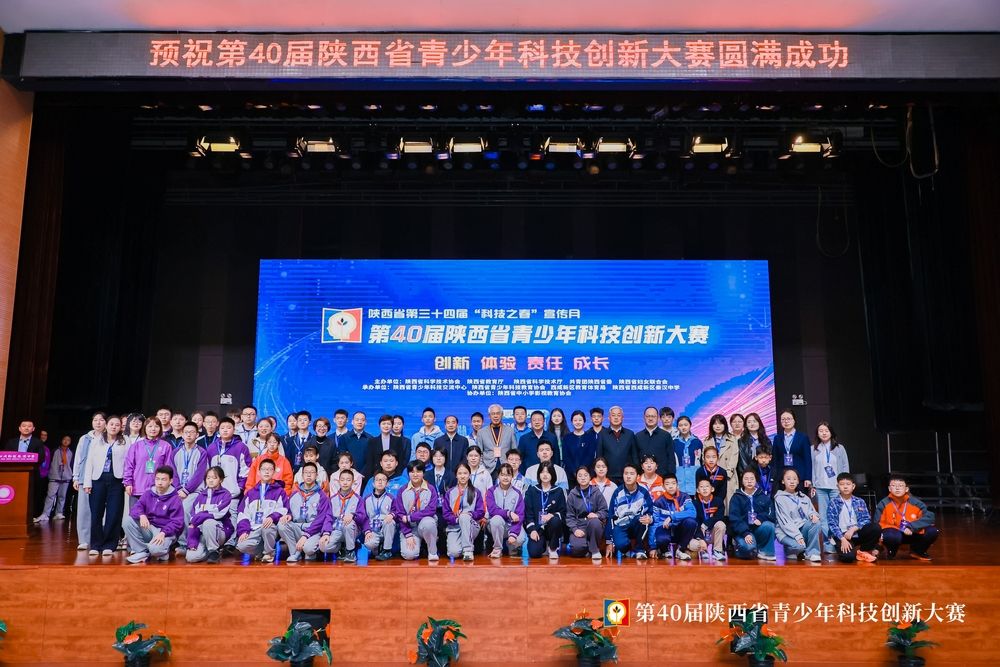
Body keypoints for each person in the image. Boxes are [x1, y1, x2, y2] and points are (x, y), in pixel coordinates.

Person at [82, 415, 129, 556]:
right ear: (106, 425)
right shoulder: (97, 441)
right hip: (98, 480)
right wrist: (87, 482)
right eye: (111, 424)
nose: (114, 427)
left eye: (117, 425)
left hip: (117, 480)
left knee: (114, 513)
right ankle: (96, 545)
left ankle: (110, 544)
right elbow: (89, 462)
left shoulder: (125, 441)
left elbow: (129, 462)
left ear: (121, 427)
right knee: (96, 513)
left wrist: (128, 481)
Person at [124, 466, 185, 564]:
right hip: (150, 528)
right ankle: (142, 551)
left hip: (165, 532)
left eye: (163, 479)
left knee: (155, 550)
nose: (159, 483)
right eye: (157, 479)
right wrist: (142, 515)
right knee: (128, 521)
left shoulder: (175, 499)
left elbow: (177, 522)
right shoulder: (148, 493)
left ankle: (160, 551)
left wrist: (164, 532)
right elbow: (136, 508)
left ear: (170, 481)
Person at [207, 417, 253, 543]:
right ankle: (216, 542)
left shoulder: (241, 447)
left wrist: (239, 488)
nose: (225, 430)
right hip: (215, 492)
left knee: (232, 515)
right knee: (214, 517)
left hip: (233, 492)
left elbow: (246, 469)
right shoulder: (211, 448)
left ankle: (230, 543)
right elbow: (207, 469)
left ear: (234, 429)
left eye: (229, 427)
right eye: (222, 428)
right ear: (218, 430)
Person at [235, 458, 288, 563]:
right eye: (264, 469)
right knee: (241, 546)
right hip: (254, 529)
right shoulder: (251, 493)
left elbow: (284, 509)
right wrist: (244, 531)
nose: (267, 472)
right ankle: (261, 551)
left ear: (274, 472)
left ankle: (269, 553)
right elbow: (242, 514)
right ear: (259, 472)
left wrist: (272, 517)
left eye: (270, 469)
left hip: (271, 528)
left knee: (267, 528)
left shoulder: (279, 491)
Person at [876, 475, 939, 561]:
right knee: (891, 535)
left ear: (906, 489)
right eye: (893, 486)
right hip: (894, 534)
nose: (897, 488)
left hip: (913, 532)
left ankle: (917, 551)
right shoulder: (883, 504)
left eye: (901, 486)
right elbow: (877, 524)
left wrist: (911, 526)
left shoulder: (916, 503)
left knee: (932, 531)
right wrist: (878, 545)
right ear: (889, 489)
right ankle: (891, 551)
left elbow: (930, 517)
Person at [279, 461, 331, 562]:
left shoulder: (322, 496)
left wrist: (306, 535)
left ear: (316, 475)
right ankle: (295, 553)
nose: (309, 475)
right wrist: (288, 515)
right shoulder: (294, 494)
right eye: (306, 472)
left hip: (313, 530)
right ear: (302, 475)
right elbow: (289, 511)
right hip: (297, 528)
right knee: (282, 524)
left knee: (308, 549)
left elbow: (320, 520)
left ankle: (309, 550)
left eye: (312, 472)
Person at [811, 421, 850, 554]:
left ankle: (839, 541)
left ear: (831, 433)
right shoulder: (813, 449)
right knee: (823, 517)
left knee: (836, 516)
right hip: (820, 487)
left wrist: (845, 484)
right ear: (817, 433)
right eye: (821, 431)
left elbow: (845, 467)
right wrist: (813, 484)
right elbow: (812, 468)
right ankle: (828, 544)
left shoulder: (839, 448)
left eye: (826, 431)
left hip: (836, 487)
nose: (824, 433)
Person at [123, 418, 174, 519]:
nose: (153, 429)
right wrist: (128, 483)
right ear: (145, 428)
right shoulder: (136, 446)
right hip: (137, 488)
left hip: (157, 489)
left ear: (160, 429)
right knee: (135, 517)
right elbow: (129, 465)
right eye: (150, 426)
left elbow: (168, 468)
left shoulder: (166, 446)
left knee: (155, 518)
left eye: (156, 426)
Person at [185, 466, 234, 564]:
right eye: (208, 478)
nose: (211, 480)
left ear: (221, 480)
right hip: (202, 533)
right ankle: (210, 551)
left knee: (208, 522)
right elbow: (193, 521)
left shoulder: (226, 495)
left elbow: (218, 513)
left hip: (219, 532)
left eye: (214, 478)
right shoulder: (200, 496)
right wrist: (192, 542)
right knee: (191, 558)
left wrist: (201, 515)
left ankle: (213, 551)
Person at [172, 421, 209, 553]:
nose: (189, 435)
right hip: (177, 490)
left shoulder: (202, 452)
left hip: (194, 491)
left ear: (197, 435)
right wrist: (178, 489)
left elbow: (200, 474)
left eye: (192, 432)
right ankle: (171, 540)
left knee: (185, 509)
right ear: (182, 434)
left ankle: (184, 544)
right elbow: (173, 472)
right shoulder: (176, 452)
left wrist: (187, 490)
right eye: (186, 432)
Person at [827, 473, 880, 563]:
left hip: (856, 533)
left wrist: (853, 529)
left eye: (848, 484)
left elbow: (866, 519)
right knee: (848, 558)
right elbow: (832, 524)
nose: (845, 487)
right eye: (842, 484)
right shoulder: (833, 502)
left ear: (853, 486)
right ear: (837, 486)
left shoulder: (859, 501)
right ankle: (845, 549)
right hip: (842, 535)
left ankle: (863, 551)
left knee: (875, 528)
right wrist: (842, 539)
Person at [72, 412, 107, 549]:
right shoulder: (85, 438)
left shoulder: (108, 437)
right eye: (95, 420)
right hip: (84, 477)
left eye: (101, 420)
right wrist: (76, 477)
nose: (98, 422)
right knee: (84, 510)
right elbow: (78, 458)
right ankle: (84, 540)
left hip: (101, 478)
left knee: (102, 509)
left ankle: (101, 538)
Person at [393, 461, 440, 562]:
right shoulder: (402, 490)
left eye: (418, 471)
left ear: (423, 473)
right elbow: (400, 514)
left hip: (425, 524)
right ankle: (419, 546)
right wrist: (407, 534)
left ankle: (432, 552)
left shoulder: (431, 489)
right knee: (409, 555)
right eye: (412, 472)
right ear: (408, 473)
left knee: (429, 522)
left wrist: (410, 517)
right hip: (410, 527)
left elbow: (431, 510)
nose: (415, 474)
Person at [605, 463, 654, 559]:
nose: (628, 476)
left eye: (631, 474)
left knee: (642, 519)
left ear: (637, 476)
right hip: (621, 524)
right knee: (621, 545)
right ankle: (628, 550)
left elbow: (651, 512)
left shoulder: (643, 492)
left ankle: (640, 550)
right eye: (626, 473)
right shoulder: (617, 492)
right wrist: (609, 542)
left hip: (637, 524)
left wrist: (650, 519)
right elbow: (611, 516)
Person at [774, 468, 822, 562]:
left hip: (802, 528)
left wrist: (813, 515)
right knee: (799, 547)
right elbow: (785, 521)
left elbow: (811, 511)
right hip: (786, 532)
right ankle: (791, 550)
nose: (792, 481)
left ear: (798, 481)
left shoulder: (804, 497)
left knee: (816, 523)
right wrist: (797, 536)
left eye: (794, 479)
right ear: (783, 481)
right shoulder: (779, 498)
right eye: (788, 479)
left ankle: (812, 553)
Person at [728, 469, 776, 561]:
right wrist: (745, 533)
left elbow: (770, 513)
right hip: (743, 532)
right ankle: (738, 546)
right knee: (748, 549)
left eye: (752, 479)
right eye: (746, 479)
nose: (749, 481)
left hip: (758, 529)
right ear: (742, 481)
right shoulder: (736, 497)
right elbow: (734, 518)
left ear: (756, 480)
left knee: (769, 526)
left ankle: (765, 551)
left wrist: (760, 518)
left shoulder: (763, 496)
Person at [650, 473, 699, 560]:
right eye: (667, 484)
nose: (671, 486)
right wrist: (652, 547)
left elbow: (692, 512)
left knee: (691, 522)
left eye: (673, 483)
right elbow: (654, 523)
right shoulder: (658, 502)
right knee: (661, 538)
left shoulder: (684, 497)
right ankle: (664, 550)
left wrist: (672, 517)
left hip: (679, 529)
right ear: (663, 486)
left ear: (677, 485)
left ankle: (680, 550)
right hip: (666, 529)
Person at [442, 462, 485, 561]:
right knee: (453, 553)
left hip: (471, 525)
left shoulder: (476, 492)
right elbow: (446, 514)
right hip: (455, 526)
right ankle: (462, 544)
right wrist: (457, 519)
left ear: (469, 475)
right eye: (460, 473)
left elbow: (480, 512)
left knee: (464, 517)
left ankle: (468, 551)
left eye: (465, 473)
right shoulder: (450, 493)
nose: (462, 476)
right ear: (456, 475)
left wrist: (469, 514)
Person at [524, 462, 566, 559]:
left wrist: (552, 515)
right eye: (542, 472)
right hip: (537, 527)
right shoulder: (532, 491)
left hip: (552, 527)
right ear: (539, 474)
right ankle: (543, 545)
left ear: (552, 474)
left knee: (555, 521)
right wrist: (532, 530)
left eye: (548, 472)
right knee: (534, 553)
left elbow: (563, 512)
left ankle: (553, 548)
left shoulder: (558, 491)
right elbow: (528, 514)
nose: (545, 475)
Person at [3, 418, 46, 516]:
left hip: (31, 475)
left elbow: (41, 458)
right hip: (12, 475)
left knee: (30, 496)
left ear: (33, 429)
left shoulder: (38, 442)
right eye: (24, 426)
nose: (26, 428)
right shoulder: (11, 442)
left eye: (29, 426)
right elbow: (5, 457)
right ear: (19, 428)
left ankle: (30, 515)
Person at [565, 466, 607, 560]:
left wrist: (597, 515)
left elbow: (604, 510)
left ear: (590, 477)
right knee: (576, 549)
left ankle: (595, 550)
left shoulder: (596, 492)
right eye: (580, 476)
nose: (583, 478)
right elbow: (569, 516)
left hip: (593, 525)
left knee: (595, 522)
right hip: (579, 526)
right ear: (576, 478)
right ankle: (587, 546)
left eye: (585, 475)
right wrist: (575, 529)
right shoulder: (572, 494)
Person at [485, 463, 526, 558]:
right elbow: (492, 510)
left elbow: (520, 515)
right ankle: (497, 548)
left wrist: (513, 533)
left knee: (520, 538)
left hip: (511, 525)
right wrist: (509, 513)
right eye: (502, 475)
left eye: (508, 475)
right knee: (496, 519)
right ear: (498, 476)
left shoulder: (517, 493)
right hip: (495, 525)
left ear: (512, 476)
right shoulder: (491, 491)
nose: (505, 478)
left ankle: (512, 547)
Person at [321, 469, 361, 561]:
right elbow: (328, 517)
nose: (345, 483)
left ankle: (350, 551)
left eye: (348, 480)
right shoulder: (332, 499)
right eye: (342, 480)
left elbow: (362, 516)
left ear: (353, 482)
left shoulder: (358, 499)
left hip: (352, 530)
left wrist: (353, 515)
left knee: (348, 524)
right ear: (339, 481)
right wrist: (326, 533)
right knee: (323, 546)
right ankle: (341, 547)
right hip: (337, 529)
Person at [356, 470, 397, 561]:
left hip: (385, 527)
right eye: (377, 480)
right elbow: (364, 517)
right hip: (372, 529)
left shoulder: (391, 498)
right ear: (373, 483)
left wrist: (392, 514)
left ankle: (387, 551)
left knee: (390, 522)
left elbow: (396, 511)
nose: (380, 482)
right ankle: (376, 550)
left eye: (383, 480)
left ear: (387, 483)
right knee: (369, 544)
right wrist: (367, 531)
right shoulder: (366, 499)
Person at [773, 409, 812, 492]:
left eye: (788, 419)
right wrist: (775, 477)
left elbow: (808, 459)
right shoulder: (777, 438)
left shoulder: (803, 437)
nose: (786, 421)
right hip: (783, 477)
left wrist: (808, 478)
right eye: (783, 419)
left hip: (799, 477)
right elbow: (775, 459)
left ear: (794, 421)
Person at [706, 414, 739, 511]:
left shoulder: (732, 439)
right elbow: (705, 458)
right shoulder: (707, 441)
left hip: (729, 476)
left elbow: (734, 457)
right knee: (716, 506)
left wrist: (726, 474)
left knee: (730, 505)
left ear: (725, 425)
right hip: (713, 476)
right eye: (715, 424)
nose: (718, 426)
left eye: (720, 424)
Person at [597, 406, 638, 485]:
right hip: (608, 476)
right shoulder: (602, 434)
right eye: (613, 415)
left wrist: (636, 472)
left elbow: (634, 456)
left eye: (619, 415)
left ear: (622, 418)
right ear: (609, 418)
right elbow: (599, 456)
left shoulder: (630, 434)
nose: (616, 417)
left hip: (627, 476)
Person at [37, 434, 73, 522]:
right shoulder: (55, 450)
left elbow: (71, 464)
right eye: (64, 439)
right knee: (50, 496)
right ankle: (45, 514)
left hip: (66, 477)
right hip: (54, 476)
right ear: (61, 440)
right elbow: (49, 461)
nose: (66, 441)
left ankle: (59, 513)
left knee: (62, 496)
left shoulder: (71, 452)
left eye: (68, 440)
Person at [635, 406, 675, 478]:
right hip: (642, 478)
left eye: (653, 416)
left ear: (658, 418)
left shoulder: (666, 435)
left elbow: (671, 459)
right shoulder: (637, 436)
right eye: (648, 416)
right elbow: (635, 458)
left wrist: (670, 477)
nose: (650, 418)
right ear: (644, 418)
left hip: (662, 477)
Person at [694, 478, 727, 560]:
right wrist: (700, 537)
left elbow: (719, 517)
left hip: (713, 534)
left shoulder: (718, 501)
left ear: (712, 489)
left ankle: (717, 551)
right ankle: (703, 550)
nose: (704, 489)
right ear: (697, 490)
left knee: (721, 524)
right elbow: (695, 521)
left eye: (707, 486)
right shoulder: (694, 503)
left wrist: (706, 524)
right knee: (693, 544)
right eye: (701, 487)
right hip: (700, 534)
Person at [481, 404, 517, 474]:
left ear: (502, 415)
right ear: (489, 416)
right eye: (493, 414)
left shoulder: (510, 431)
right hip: (488, 469)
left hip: (506, 468)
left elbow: (514, 451)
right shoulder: (482, 432)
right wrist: (482, 469)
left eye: (498, 413)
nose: (495, 416)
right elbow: (479, 453)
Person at [562, 410, 596, 479]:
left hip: (586, 473)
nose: (578, 422)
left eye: (580, 420)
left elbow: (590, 456)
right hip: (570, 474)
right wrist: (574, 471)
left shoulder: (590, 437)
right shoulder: (566, 437)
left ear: (584, 421)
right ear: (572, 422)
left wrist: (581, 471)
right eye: (575, 420)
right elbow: (566, 457)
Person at [673, 416, 701, 495]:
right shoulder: (674, 442)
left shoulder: (697, 442)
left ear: (690, 425)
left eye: (686, 425)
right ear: (677, 427)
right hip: (680, 478)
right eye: (680, 425)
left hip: (694, 478)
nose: (683, 427)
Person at [739, 413, 771, 479]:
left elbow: (770, 458)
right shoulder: (742, 441)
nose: (752, 424)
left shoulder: (766, 440)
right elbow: (742, 461)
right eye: (749, 422)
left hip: (764, 474)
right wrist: (748, 474)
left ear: (759, 423)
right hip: (748, 476)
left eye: (754, 421)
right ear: (746, 425)